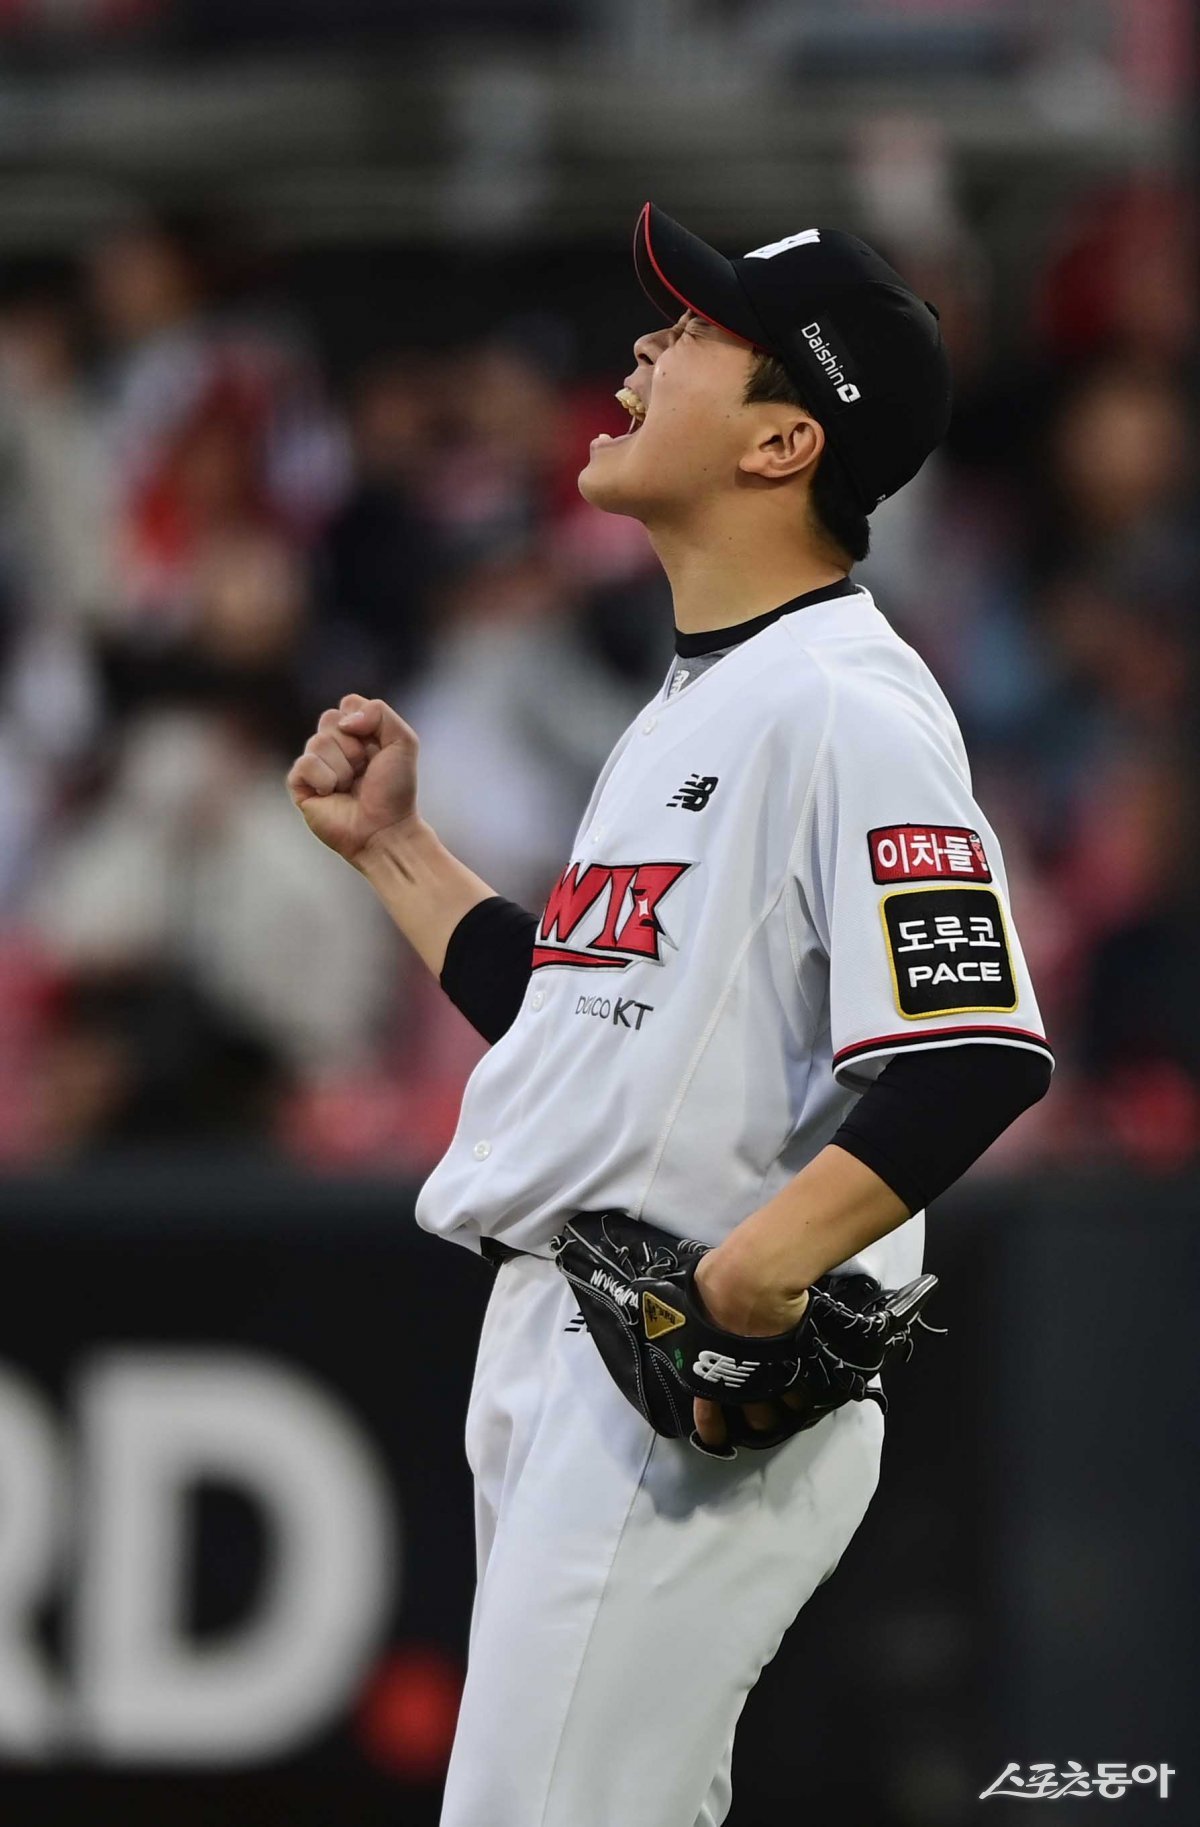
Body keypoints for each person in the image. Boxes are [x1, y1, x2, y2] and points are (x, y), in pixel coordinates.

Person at [286, 204, 1053, 1827]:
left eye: (698, 332)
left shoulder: (841, 700)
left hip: (675, 1369)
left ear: (785, 441)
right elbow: (584, 1018)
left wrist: (755, 1272)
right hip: (586, 1343)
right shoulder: (710, 693)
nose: (644, 345)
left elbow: (974, 1049)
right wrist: (400, 856)